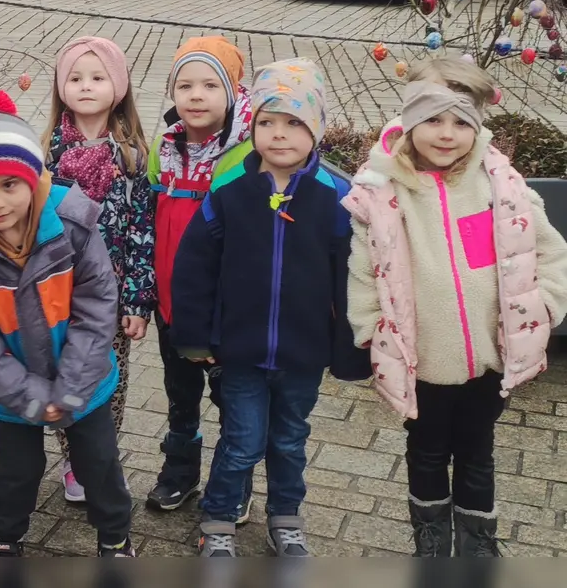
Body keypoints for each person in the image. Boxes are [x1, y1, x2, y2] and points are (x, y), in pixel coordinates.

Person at [344, 60, 567, 557]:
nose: (447, 134)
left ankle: (476, 541)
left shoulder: (500, 186)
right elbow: (364, 269)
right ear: (409, 120)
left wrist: (545, 308)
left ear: (478, 125)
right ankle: (430, 536)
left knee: (477, 451)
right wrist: (369, 330)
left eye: (462, 122)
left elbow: (550, 251)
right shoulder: (382, 192)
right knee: (426, 452)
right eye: (433, 119)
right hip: (420, 359)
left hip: (491, 357)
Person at [0, 91, 135, 558]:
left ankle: (116, 536)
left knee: (99, 464)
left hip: (83, 380)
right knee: (15, 469)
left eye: (9, 185)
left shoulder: (72, 222)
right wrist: (27, 394)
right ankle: (6, 535)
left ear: (32, 177)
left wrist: (72, 386)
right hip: (11, 388)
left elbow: (97, 306)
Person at [171, 59, 351, 557]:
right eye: (267, 122)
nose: (279, 134)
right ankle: (218, 520)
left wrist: (350, 346)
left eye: (294, 122)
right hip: (241, 351)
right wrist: (194, 336)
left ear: (316, 127)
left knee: (290, 441)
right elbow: (194, 268)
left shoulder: (337, 197)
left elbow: (352, 278)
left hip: (303, 353)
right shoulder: (229, 192)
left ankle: (286, 518)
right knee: (242, 440)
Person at [41, 37, 155, 505]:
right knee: (67, 373)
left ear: (119, 87)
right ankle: (73, 459)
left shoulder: (132, 157)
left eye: (97, 77)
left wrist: (138, 301)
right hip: (62, 291)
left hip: (111, 294)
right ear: (60, 88)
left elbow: (141, 231)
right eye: (75, 78)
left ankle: (102, 457)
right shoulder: (47, 156)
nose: (86, 86)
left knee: (111, 378)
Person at [146, 36, 253, 514]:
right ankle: (180, 469)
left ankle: (233, 483)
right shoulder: (163, 148)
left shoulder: (248, 155)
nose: (196, 95)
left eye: (210, 85)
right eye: (185, 85)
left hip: (226, 309)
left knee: (232, 400)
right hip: (173, 303)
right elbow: (148, 218)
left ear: (232, 91)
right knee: (180, 395)